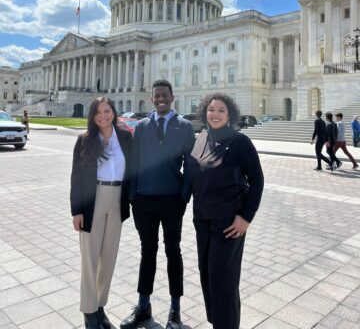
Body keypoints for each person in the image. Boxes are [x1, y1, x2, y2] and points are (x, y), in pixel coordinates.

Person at [121, 80, 195, 329]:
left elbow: (191, 163)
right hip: (144, 201)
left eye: (165, 95)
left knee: (173, 251)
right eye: (157, 95)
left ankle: (175, 310)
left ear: (172, 98)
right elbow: (133, 162)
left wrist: (184, 195)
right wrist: (132, 195)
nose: (161, 98)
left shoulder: (185, 126)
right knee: (147, 252)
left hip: (173, 201)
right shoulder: (141, 126)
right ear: (152, 99)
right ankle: (143, 306)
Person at [186, 93, 264, 329]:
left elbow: (257, 179)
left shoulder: (239, 142)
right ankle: (218, 323)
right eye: (211, 109)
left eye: (221, 110)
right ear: (204, 112)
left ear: (229, 114)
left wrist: (246, 217)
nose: (215, 114)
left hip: (229, 223)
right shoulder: (201, 137)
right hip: (203, 219)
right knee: (207, 275)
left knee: (224, 281)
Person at [70, 97, 132, 329]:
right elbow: (76, 178)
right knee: (90, 259)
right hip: (92, 200)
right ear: (92, 116)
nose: (103, 116)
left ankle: (100, 307)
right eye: (98, 112)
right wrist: (76, 210)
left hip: (117, 200)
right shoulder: (85, 140)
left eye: (107, 111)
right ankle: (89, 312)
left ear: (114, 113)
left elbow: (133, 170)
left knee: (108, 258)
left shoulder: (125, 138)